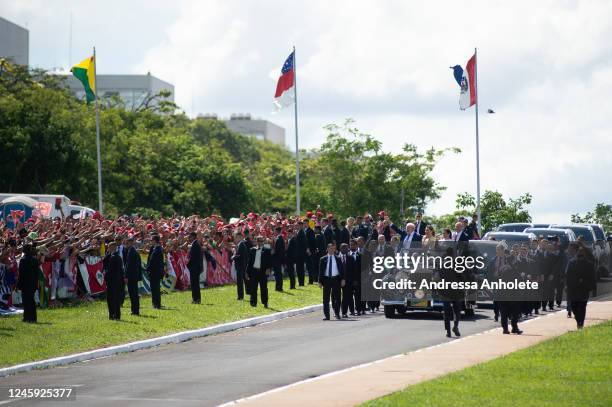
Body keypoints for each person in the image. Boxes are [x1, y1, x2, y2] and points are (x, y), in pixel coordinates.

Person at [566, 242, 597, 329]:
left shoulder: (589, 264)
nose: (580, 253)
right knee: (574, 307)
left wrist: (592, 288)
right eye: (579, 251)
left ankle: (581, 324)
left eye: (582, 251)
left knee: (582, 307)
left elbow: (592, 277)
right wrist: (567, 286)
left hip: (584, 289)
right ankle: (578, 320)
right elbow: (568, 275)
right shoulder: (571, 263)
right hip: (573, 289)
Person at [439, 247, 463, 337]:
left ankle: (448, 331)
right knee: (457, 311)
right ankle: (455, 326)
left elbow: (440, 277)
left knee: (446, 312)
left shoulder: (442, 264)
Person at [319, 243, 344, 320]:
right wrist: (320, 281)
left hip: (336, 279)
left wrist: (343, 279)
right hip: (326, 279)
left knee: (338, 298)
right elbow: (321, 271)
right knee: (326, 298)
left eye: (333, 249)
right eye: (330, 248)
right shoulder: (323, 259)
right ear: (327, 249)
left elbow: (342, 270)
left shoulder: (338, 258)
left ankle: (337, 313)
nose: (332, 250)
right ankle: (327, 315)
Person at [246, 236, 272, 308]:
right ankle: (253, 302)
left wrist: (268, 269)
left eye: (261, 241)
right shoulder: (252, 250)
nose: (260, 242)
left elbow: (269, 260)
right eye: (259, 241)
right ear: (256, 242)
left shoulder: (266, 249)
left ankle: (265, 302)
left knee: (264, 288)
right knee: (253, 288)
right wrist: (247, 272)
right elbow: (249, 262)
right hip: (254, 272)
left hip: (263, 272)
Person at [17, 244, 39, 323]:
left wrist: (19, 285)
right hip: (33, 283)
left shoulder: (23, 260)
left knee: (26, 301)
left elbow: (21, 273)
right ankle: (33, 318)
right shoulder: (35, 260)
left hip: (25, 283)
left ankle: (26, 317)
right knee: (31, 301)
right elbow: (37, 274)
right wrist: (36, 284)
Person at [104, 242, 125, 320]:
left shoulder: (114, 257)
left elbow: (110, 270)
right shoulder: (116, 256)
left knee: (112, 299)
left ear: (112, 247)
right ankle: (115, 314)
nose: (108, 248)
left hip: (113, 282)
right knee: (115, 299)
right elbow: (104, 261)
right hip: (117, 282)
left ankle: (113, 314)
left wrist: (106, 276)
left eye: (109, 247)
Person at [125, 237, 142, 315]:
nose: (126, 244)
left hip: (131, 277)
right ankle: (135, 310)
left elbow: (129, 266)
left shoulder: (131, 252)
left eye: (127, 243)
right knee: (134, 294)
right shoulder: (134, 251)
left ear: (131, 242)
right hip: (134, 276)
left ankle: (135, 311)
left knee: (133, 294)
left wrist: (126, 276)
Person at [339, 243, 356, 317]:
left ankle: (344, 312)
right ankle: (336, 311)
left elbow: (354, 270)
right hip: (338, 281)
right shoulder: (337, 258)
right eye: (343, 248)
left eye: (346, 248)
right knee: (336, 297)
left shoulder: (351, 258)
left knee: (346, 297)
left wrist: (354, 280)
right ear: (340, 249)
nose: (345, 249)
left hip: (348, 281)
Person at [146, 234, 164, 309]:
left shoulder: (158, 249)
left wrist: (148, 268)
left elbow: (153, 262)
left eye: (151, 240)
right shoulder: (154, 248)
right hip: (154, 272)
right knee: (154, 288)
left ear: (155, 241)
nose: (150, 241)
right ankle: (155, 303)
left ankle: (156, 304)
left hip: (155, 272)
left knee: (155, 288)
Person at [187, 231, 203, 304]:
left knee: (194, 284)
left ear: (193, 237)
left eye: (190, 236)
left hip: (194, 268)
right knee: (195, 284)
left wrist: (188, 265)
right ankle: (197, 299)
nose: (189, 238)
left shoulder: (195, 245)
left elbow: (192, 258)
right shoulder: (196, 244)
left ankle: (195, 299)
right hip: (196, 267)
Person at [233, 231, 250, 299]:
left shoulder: (241, 244)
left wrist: (233, 257)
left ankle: (240, 296)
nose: (235, 239)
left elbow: (239, 256)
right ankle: (248, 292)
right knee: (244, 280)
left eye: (236, 237)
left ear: (239, 237)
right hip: (242, 266)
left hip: (240, 266)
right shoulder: (241, 244)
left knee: (240, 282)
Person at [272, 227, 286, 292]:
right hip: (280, 258)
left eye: (274, 231)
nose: (274, 232)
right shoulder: (281, 238)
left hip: (277, 259)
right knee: (279, 273)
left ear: (277, 231)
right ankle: (279, 287)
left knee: (277, 274)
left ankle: (278, 287)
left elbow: (276, 250)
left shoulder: (278, 239)